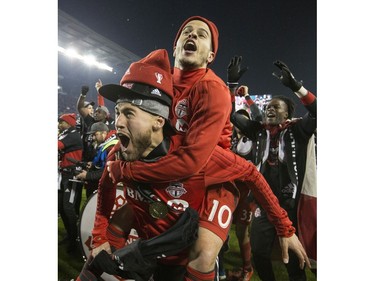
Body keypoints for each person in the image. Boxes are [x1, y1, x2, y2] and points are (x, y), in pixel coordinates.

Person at [105, 16, 310, 281]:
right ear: (175, 45)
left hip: (210, 175)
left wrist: (127, 170)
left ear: (211, 54)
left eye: (202, 35)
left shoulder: (212, 88)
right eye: (187, 32)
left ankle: (237, 268)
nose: (193, 36)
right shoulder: (159, 84)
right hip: (167, 167)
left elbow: (196, 160)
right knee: (123, 229)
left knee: (202, 252)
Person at [230, 60, 317, 281]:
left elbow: (317, 112)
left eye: (275, 106)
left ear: (287, 112)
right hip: (264, 204)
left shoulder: (298, 130)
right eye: (267, 106)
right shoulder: (258, 131)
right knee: (259, 255)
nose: (269, 108)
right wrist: (231, 85)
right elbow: (230, 115)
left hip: (292, 206)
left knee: (295, 264)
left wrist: (297, 87)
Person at [58, 113, 83, 254]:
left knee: (68, 208)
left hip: (72, 176)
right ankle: (70, 235)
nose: (59, 124)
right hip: (64, 174)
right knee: (62, 207)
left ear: (69, 123)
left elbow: (57, 145)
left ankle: (75, 240)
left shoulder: (72, 134)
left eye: (61, 122)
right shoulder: (67, 133)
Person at [75, 122, 118, 199]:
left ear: (104, 133)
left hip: (109, 187)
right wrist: (93, 164)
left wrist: (88, 175)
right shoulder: (106, 143)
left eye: (95, 134)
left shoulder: (111, 147)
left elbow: (109, 171)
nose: (93, 138)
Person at [77, 86, 115, 162]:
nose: (95, 113)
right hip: (86, 158)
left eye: (99, 112)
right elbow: (80, 108)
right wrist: (83, 95)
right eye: (96, 111)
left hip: (101, 160)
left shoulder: (111, 127)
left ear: (105, 115)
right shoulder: (91, 121)